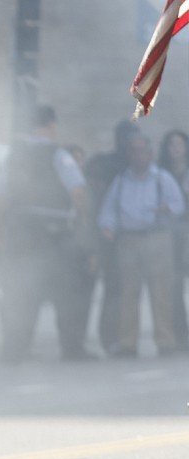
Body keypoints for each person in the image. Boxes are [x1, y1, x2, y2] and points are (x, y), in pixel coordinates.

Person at [0, 105, 93, 362]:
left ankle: (14, 351)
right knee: (66, 294)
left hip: (21, 235)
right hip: (55, 235)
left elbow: (0, 197)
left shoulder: (13, 157)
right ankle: (72, 349)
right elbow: (78, 191)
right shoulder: (59, 155)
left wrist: (2, 230)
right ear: (51, 126)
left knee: (21, 293)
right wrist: (80, 221)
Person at [98, 135, 186, 356]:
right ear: (130, 155)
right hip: (129, 241)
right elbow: (109, 209)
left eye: (143, 152)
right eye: (134, 152)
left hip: (157, 238)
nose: (139, 157)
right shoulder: (121, 180)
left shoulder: (162, 179)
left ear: (151, 154)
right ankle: (128, 342)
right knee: (128, 293)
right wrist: (107, 226)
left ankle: (165, 341)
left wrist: (167, 209)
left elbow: (179, 206)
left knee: (161, 293)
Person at [87, 120, 144, 354]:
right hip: (108, 235)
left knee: (130, 290)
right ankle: (110, 338)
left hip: (132, 235)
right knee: (114, 288)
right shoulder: (104, 164)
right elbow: (94, 199)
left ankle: (125, 338)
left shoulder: (140, 164)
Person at [156, 130, 189, 351]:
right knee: (174, 285)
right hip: (169, 235)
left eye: (180, 144)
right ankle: (180, 333)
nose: (176, 149)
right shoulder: (160, 174)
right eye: (172, 145)